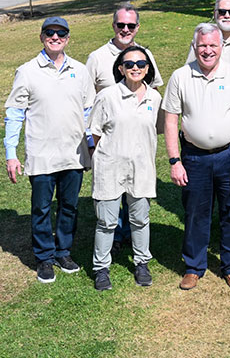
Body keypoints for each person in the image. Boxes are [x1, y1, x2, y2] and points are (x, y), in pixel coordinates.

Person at [163, 23, 230, 291]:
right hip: (194, 158)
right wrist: (174, 160)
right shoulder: (180, 77)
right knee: (195, 213)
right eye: (202, 45)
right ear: (195, 47)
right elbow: (171, 121)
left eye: (213, 46)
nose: (207, 51)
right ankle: (194, 266)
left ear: (221, 47)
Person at [4, 17, 95, 283]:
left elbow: (88, 112)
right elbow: (15, 113)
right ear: (42, 37)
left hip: (74, 154)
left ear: (68, 38)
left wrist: (91, 147)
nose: (55, 37)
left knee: (69, 207)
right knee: (41, 208)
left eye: (61, 33)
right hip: (42, 155)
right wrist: (11, 153)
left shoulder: (80, 70)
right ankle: (44, 257)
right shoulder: (27, 71)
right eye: (49, 33)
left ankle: (63, 251)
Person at [85, 2, 164, 256]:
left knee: (137, 197)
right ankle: (115, 237)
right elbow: (87, 99)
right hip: (109, 134)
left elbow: (154, 91)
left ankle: (132, 238)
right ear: (113, 25)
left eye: (131, 25)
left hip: (137, 140)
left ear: (137, 27)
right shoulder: (97, 57)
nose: (126, 29)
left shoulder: (145, 55)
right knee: (110, 199)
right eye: (121, 25)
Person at [89, 46, 162, 291]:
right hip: (110, 167)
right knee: (107, 222)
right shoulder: (108, 96)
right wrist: (114, 153)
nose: (135, 68)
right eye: (129, 64)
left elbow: (156, 130)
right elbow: (96, 134)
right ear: (120, 68)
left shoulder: (155, 98)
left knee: (140, 219)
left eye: (141, 64)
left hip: (142, 168)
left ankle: (142, 262)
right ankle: (101, 268)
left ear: (148, 68)